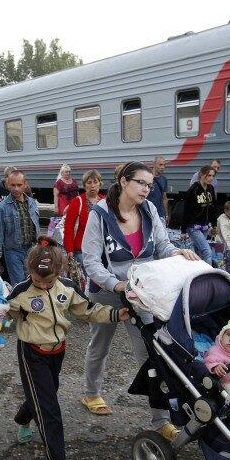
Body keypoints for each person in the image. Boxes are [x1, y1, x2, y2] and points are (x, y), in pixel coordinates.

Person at [81, 161, 199, 438]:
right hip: (107, 293)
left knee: (151, 353)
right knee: (100, 344)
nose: (147, 189)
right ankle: (91, 393)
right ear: (124, 181)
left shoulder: (149, 210)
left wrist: (177, 253)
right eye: (141, 183)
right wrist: (117, 284)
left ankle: (159, 419)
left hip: (142, 293)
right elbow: (91, 262)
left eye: (149, 184)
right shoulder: (99, 214)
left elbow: (162, 245)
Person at [6, 237, 129, 460]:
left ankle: (22, 419)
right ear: (29, 271)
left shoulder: (68, 287)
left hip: (57, 351)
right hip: (32, 352)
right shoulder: (20, 291)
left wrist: (116, 313)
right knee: (49, 407)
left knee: (46, 394)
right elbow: (4, 314)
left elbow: (88, 310)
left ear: (59, 272)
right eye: (37, 280)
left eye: (48, 281)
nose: (42, 285)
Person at [0, 170, 39, 285]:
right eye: (13, 185)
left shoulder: (32, 203)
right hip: (13, 251)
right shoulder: (2, 207)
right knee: (19, 285)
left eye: (19, 185)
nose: (16, 188)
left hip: (31, 250)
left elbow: (35, 227)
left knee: (33, 282)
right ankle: (19, 303)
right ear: (7, 185)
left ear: (25, 185)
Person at [63, 169, 105, 265]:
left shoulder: (105, 202)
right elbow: (68, 228)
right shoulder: (77, 202)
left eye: (95, 182)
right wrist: (69, 249)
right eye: (89, 182)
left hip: (102, 250)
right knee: (85, 279)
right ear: (84, 185)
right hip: (81, 251)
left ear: (100, 184)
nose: (92, 186)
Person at [181, 164, 219, 265]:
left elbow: (213, 208)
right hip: (194, 226)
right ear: (201, 175)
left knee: (199, 252)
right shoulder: (193, 190)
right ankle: (208, 277)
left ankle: (198, 275)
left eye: (213, 176)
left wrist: (214, 225)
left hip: (205, 226)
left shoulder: (211, 189)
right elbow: (186, 210)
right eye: (209, 175)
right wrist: (183, 230)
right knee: (207, 251)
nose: (211, 178)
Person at [148, 156, 169, 224]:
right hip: (148, 213)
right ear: (154, 164)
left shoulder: (164, 179)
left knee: (161, 234)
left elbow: (164, 198)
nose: (163, 167)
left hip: (160, 214)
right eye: (160, 165)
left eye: (164, 165)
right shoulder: (147, 178)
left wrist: (166, 215)